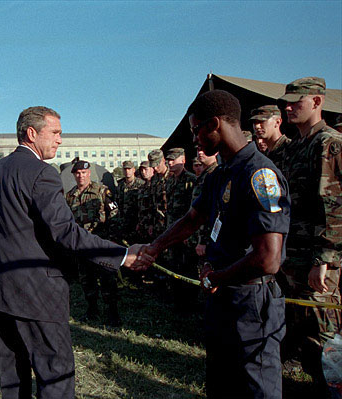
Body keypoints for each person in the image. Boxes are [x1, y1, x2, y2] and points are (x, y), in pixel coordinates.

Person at [0, 106, 145, 399]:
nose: (60, 140)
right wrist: (122, 254)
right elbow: (66, 233)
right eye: (54, 133)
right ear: (31, 133)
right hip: (36, 293)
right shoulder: (42, 173)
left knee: (13, 381)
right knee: (56, 377)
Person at [137, 90, 290, 398]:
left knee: (255, 386)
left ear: (214, 125)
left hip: (250, 300)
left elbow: (268, 259)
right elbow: (194, 218)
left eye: (196, 130)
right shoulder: (221, 174)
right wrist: (155, 247)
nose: (195, 139)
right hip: (222, 297)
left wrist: (216, 277)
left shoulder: (259, 174)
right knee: (221, 383)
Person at [277, 77, 342, 394]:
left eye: (296, 102)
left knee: (324, 331)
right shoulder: (296, 146)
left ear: (317, 102)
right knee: (302, 325)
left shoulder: (328, 143)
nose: (288, 107)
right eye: (286, 102)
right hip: (295, 256)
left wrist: (325, 260)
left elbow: (335, 206)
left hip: (318, 260)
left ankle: (334, 388)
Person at [65, 160, 121, 326]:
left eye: (84, 173)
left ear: (89, 173)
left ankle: (113, 313)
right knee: (86, 279)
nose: (81, 176)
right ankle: (92, 310)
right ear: (74, 175)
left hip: (100, 242)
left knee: (107, 278)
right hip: (82, 245)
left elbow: (114, 214)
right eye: (77, 173)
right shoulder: (70, 195)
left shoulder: (101, 191)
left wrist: (112, 239)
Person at [164, 147, 197, 312]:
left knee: (187, 267)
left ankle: (190, 303)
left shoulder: (191, 180)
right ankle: (176, 300)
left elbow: (195, 210)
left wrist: (190, 233)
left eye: (173, 160)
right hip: (172, 230)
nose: (169, 163)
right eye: (168, 160)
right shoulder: (170, 181)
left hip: (185, 233)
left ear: (183, 160)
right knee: (173, 264)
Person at [250, 105, 290, 170]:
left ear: (277, 122)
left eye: (262, 121)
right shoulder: (263, 155)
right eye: (255, 122)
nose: (257, 126)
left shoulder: (291, 149)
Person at [115, 160, 144, 245]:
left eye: (129, 169)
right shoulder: (120, 185)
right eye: (125, 169)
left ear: (133, 170)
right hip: (123, 222)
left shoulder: (140, 184)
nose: (127, 171)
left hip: (136, 221)